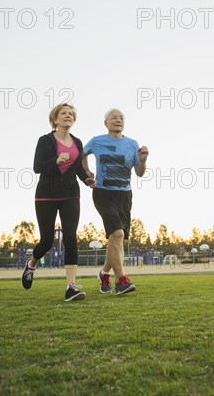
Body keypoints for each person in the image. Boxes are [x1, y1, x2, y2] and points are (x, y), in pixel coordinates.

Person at [22, 103, 95, 302]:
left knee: (71, 237)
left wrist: (87, 179)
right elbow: (37, 167)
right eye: (64, 113)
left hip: (71, 194)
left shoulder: (77, 142)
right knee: (47, 241)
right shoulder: (45, 140)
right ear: (55, 119)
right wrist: (55, 160)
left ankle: (70, 287)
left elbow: (79, 169)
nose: (68, 116)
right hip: (46, 194)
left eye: (71, 113)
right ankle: (32, 264)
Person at [83, 109, 149, 295]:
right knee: (117, 234)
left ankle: (104, 273)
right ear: (106, 123)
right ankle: (121, 280)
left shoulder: (132, 144)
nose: (118, 120)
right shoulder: (97, 141)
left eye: (121, 118)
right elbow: (81, 154)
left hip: (125, 195)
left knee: (116, 238)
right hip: (103, 192)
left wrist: (143, 160)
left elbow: (140, 172)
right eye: (114, 118)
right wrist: (87, 173)